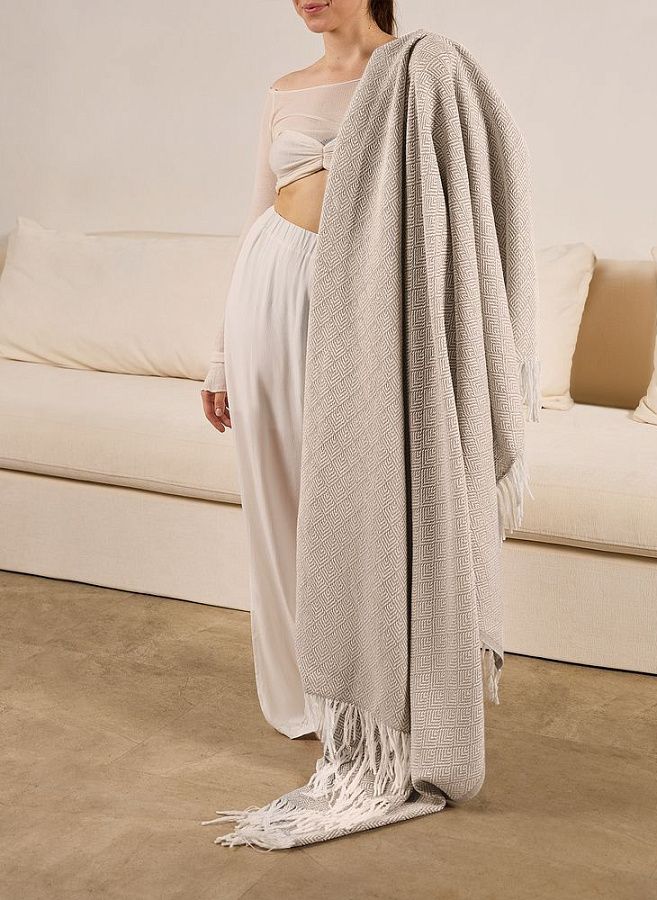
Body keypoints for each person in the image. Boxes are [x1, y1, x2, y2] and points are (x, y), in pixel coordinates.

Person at [200, 1, 398, 739]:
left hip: (357, 294)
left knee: (357, 496)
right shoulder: (284, 88)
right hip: (270, 281)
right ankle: (300, 694)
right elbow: (258, 211)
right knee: (274, 493)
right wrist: (220, 356)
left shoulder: (414, 73)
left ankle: (367, 685)